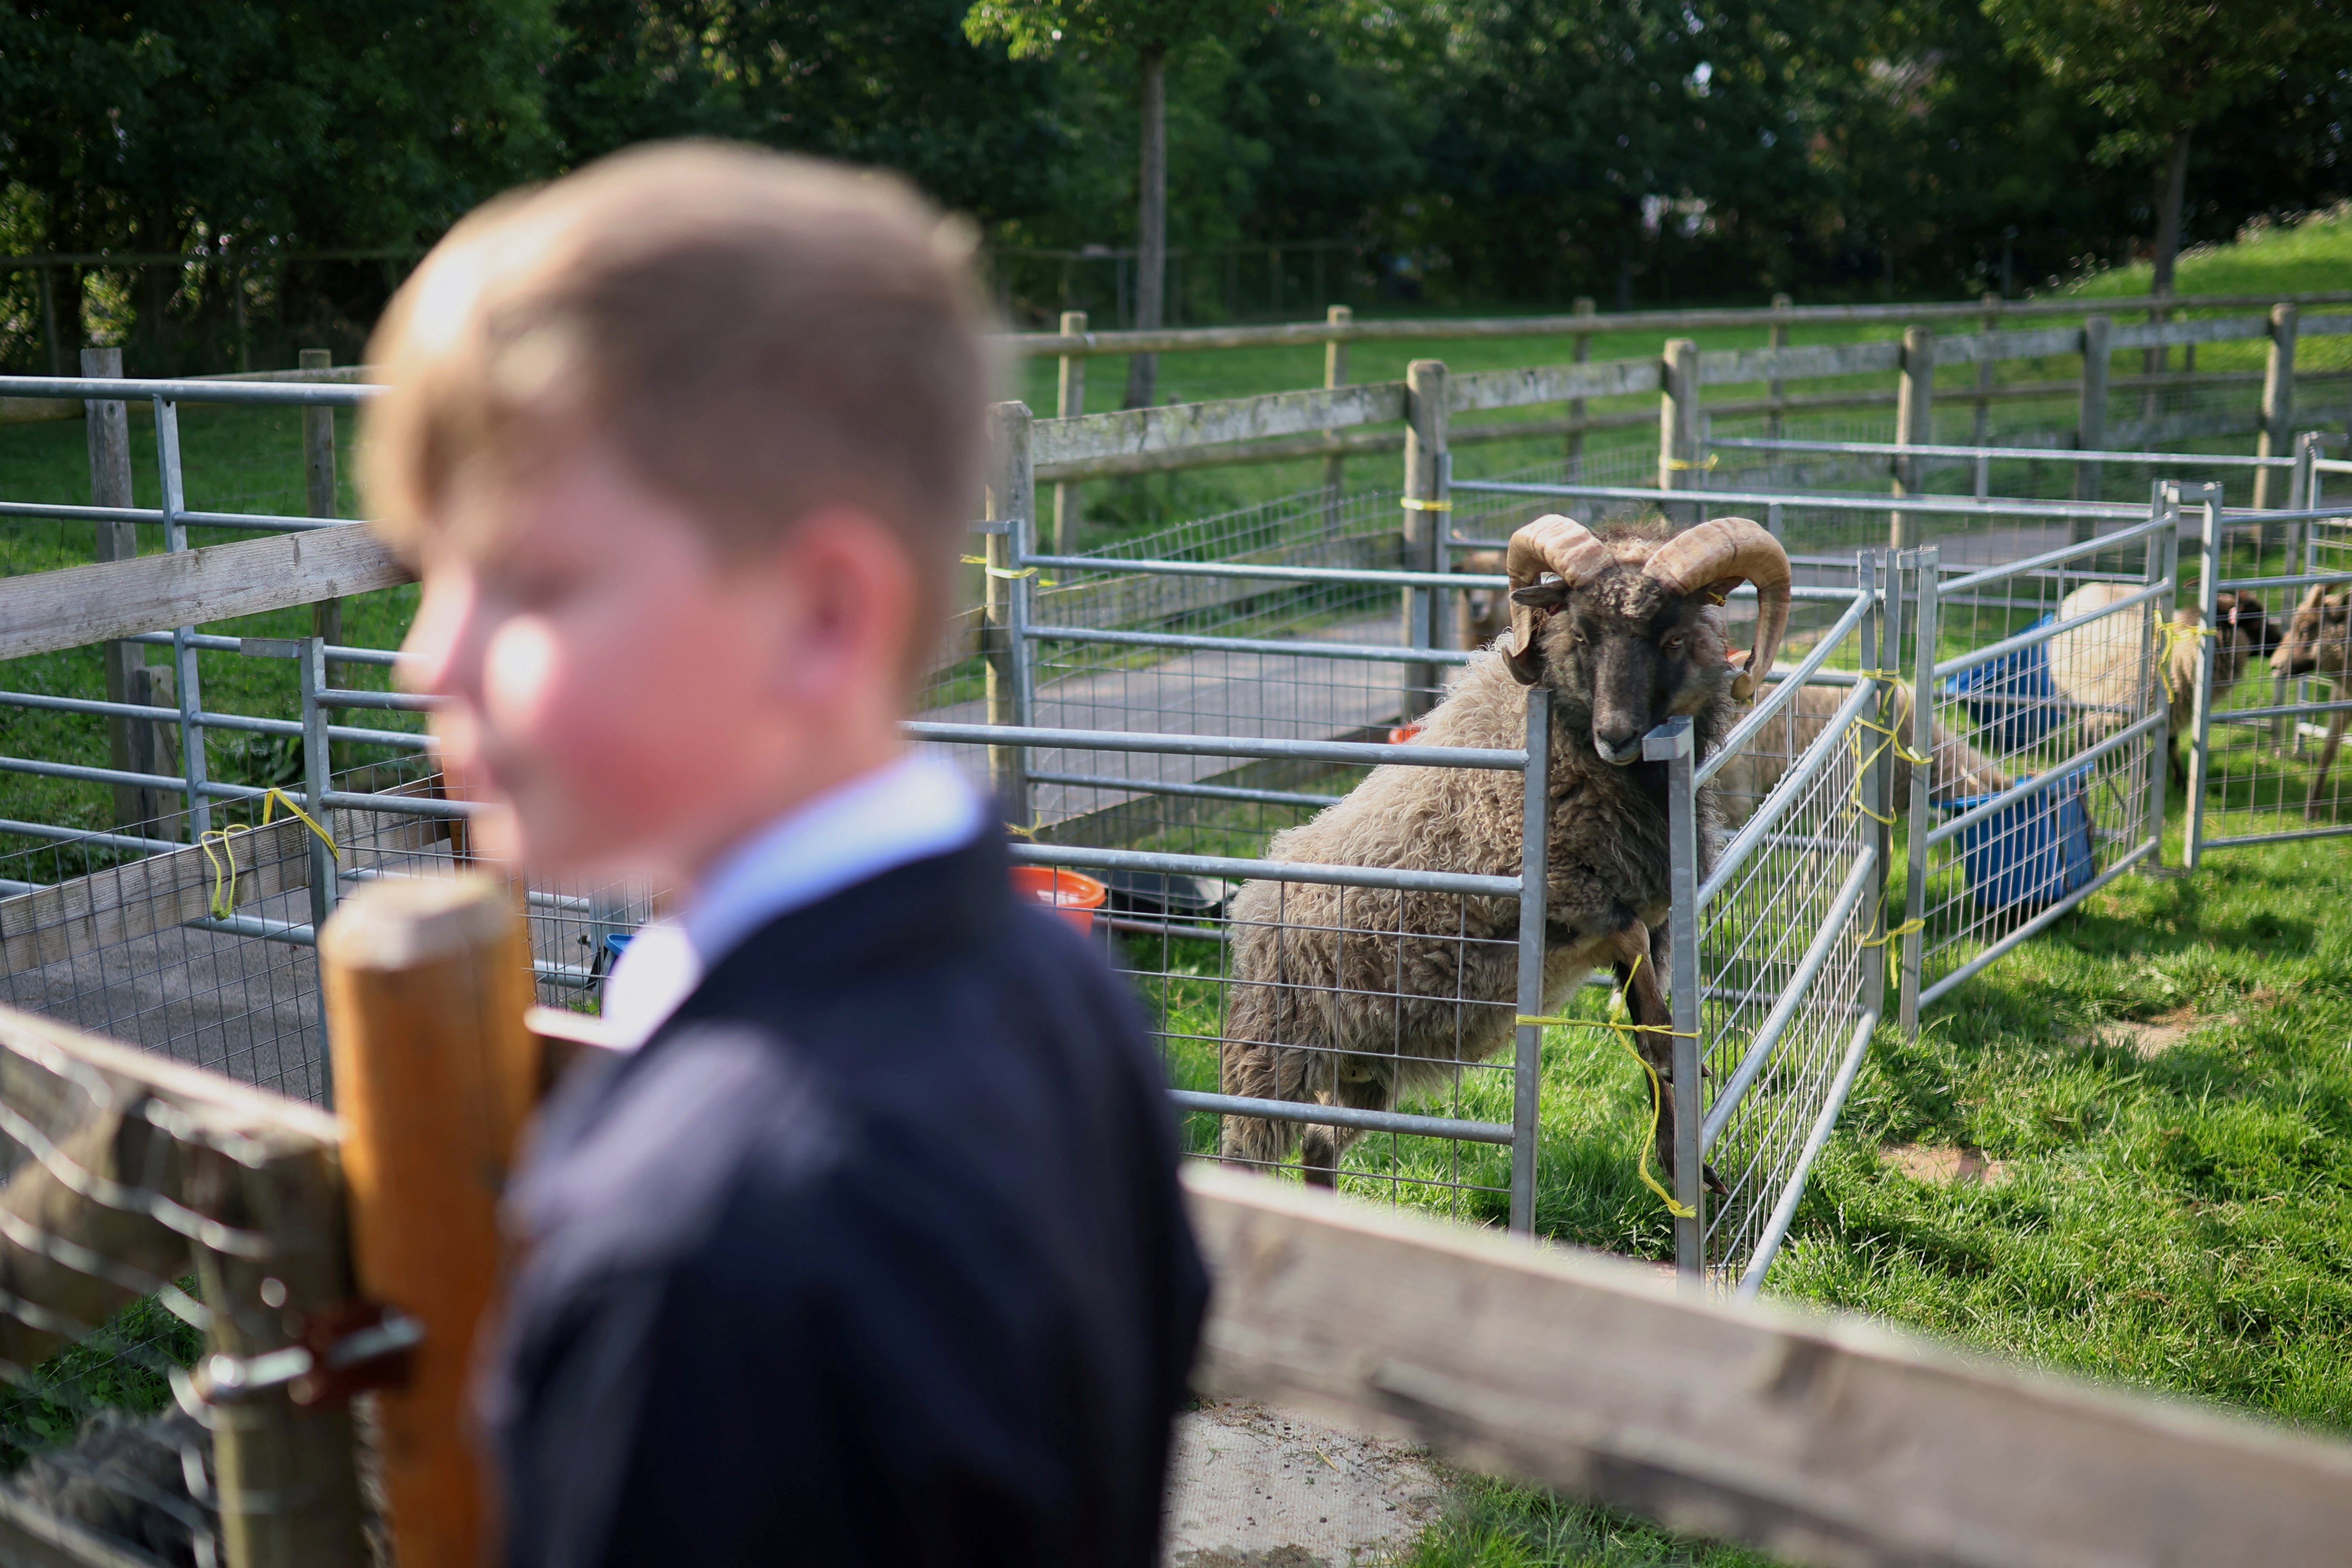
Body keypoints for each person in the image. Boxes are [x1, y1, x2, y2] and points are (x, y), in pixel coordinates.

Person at [360, 142, 1208, 1568]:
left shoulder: (699, 1244)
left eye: (531, 581)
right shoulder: (1054, 991)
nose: (424, 657)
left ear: (823, 616)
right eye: (430, 572)